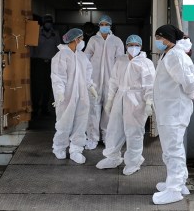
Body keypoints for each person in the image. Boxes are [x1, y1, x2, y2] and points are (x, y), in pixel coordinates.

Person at [152, 24, 194, 205]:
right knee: (172, 149)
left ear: (168, 38)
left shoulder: (175, 56)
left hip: (173, 111)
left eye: (159, 37)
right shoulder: (169, 55)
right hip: (168, 110)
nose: (158, 41)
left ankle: (174, 189)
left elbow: (187, 80)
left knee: (173, 150)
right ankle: (179, 182)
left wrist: (193, 92)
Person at [95, 35, 155, 176]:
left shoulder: (146, 63)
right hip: (120, 98)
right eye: (130, 44)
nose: (133, 48)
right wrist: (110, 100)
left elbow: (150, 85)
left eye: (136, 45)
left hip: (137, 101)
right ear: (126, 46)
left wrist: (149, 102)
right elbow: (113, 81)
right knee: (114, 129)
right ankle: (112, 158)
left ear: (140, 47)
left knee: (134, 132)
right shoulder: (120, 61)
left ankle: (133, 162)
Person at [51, 28, 98, 164]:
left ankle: (76, 149)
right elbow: (58, 77)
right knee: (64, 122)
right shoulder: (61, 56)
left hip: (82, 96)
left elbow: (88, 75)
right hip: (66, 97)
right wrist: (59, 93)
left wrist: (91, 87)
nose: (82, 41)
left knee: (81, 122)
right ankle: (59, 147)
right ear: (75, 40)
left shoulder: (81, 56)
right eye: (81, 39)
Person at [83, 15, 125, 150]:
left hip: (111, 81)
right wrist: (85, 77)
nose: (104, 26)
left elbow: (120, 62)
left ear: (110, 26)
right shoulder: (93, 40)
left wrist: (120, 80)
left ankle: (107, 137)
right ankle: (92, 138)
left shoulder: (117, 41)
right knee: (93, 110)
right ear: (99, 25)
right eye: (102, 24)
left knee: (109, 109)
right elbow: (86, 58)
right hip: (94, 80)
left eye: (107, 24)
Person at [30, 15, 61, 118]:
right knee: (37, 86)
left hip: (51, 63)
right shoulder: (37, 32)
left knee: (48, 86)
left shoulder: (55, 34)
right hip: (39, 62)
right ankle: (35, 107)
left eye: (50, 21)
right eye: (47, 21)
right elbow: (32, 47)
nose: (48, 23)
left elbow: (58, 48)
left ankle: (44, 107)